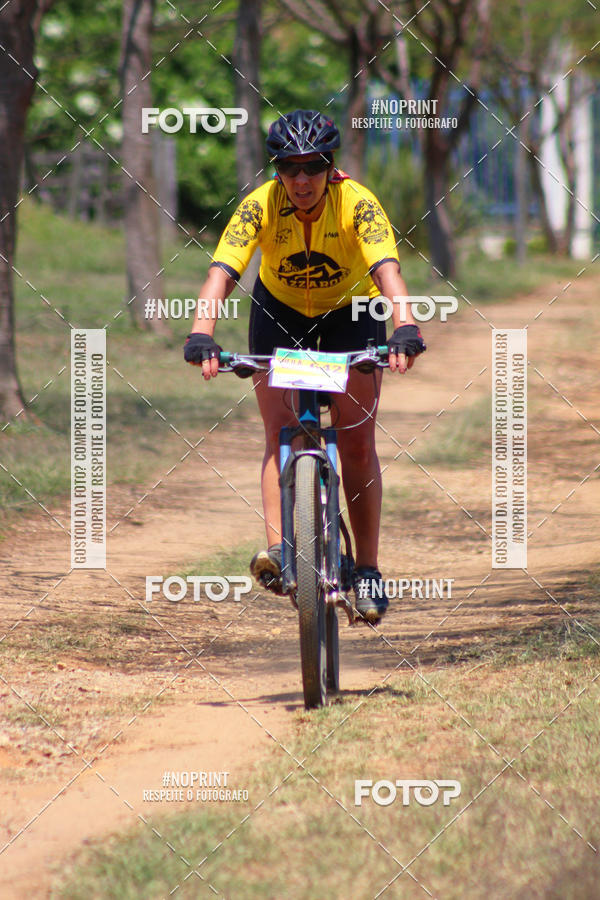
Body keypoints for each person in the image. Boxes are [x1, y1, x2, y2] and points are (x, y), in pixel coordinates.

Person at [184, 109, 425, 622]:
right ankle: (281, 554)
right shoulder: (260, 206)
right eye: (289, 168)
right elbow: (222, 274)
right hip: (279, 314)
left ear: (330, 166)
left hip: (350, 315)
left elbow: (387, 272)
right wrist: (201, 333)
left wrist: (406, 326)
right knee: (280, 433)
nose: (301, 180)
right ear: (276, 169)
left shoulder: (357, 203)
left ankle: (367, 571)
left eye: (313, 167)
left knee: (357, 443)